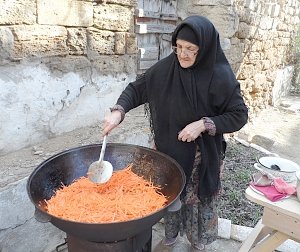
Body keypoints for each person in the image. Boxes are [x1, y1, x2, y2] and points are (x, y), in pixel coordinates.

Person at [102, 15, 248, 251]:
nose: (182, 55)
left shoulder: (220, 76)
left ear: (205, 48)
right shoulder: (167, 68)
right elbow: (137, 89)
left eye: (191, 49)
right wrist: (119, 111)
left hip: (203, 156)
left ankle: (197, 240)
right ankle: (171, 236)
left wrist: (203, 124)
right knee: (169, 193)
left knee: (198, 198)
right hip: (169, 150)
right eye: (178, 47)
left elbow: (239, 115)